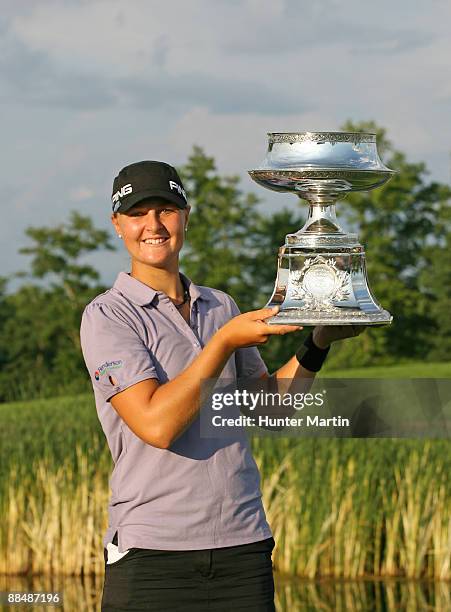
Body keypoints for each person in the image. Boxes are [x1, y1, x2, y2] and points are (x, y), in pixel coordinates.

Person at [80, 160, 363, 612]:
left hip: (243, 545)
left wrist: (318, 341)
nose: (153, 225)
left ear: (185, 217)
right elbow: (156, 425)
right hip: (153, 554)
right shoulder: (108, 316)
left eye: (166, 210)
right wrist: (224, 341)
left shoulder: (220, 305)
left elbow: (268, 411)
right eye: (138, 213)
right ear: (118, 225)